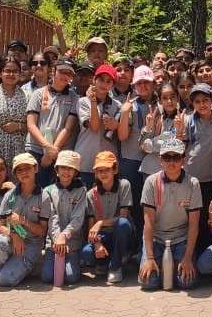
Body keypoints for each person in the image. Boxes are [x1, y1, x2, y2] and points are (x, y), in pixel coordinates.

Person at [139, 138, 202, 291]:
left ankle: (171, 268)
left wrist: (187, 258)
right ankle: (155, 263)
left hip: (181, 239)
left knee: (187, 283)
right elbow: (148, 222)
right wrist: (150, 258)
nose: (171, 162)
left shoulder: (193, 183)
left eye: (176, 157)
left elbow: (194, 225)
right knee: (148, 283)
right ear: (160, 160)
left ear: (183, 160)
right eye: (167, 157)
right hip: (157, 238)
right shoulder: (151, 182)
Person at [0, 153, 47, 287]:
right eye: (19, 170)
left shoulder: (43, 196)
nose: (24, 172)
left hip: (32, 243)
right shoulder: (10, 195)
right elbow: (1, 226)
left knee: (6, 280)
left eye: (27, 168)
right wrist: (14, 235)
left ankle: (28, 265)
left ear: (35, 168)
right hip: (13, 239)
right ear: (15, 174)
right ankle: (4, 269)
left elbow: (43, 231)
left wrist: (23, 221)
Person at [83, 151, 135, 283]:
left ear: (115, 170)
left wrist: (100, 222)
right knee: (87, 253)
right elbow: (91, 227)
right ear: (95, 173)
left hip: (122, 233)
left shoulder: (124, 185)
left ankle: (115, 267)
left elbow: (123, 216)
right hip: (103, 236)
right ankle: (105, 262)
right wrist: (97, 244)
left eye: (107, 169)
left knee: (123, 223)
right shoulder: (90, 194)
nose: (103, 173)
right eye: (99, 170)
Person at [183, 82, 212, 248]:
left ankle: (203, 254)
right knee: (187, 218)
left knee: (205, 219)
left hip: (208, 180)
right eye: (197, 101)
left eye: (205, 100)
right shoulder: (187, 121)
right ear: (192, 103)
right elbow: (181, 148)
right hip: (188, 179)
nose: (202, 104)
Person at [26, 60, 80, 187]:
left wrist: (52, 152)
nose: (65, 75)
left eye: (69, 73)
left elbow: (68, 128)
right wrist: (47, 148)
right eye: (62, 71)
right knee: (34, 189)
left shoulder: (74, 97)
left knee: (56, 191)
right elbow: (31, 125)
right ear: (53, 71)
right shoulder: (38, 94)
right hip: (36, 150)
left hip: (60, 153)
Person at [41, 150, 88, 285]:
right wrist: (58, 239)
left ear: (75, 172)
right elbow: (52, 217)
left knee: (71, 277)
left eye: (70, 168)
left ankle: (76, 260)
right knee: (47, 277)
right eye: (63, 167)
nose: (66, 172)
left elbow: (77, 218)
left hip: (72, 242)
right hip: (54, 242)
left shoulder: (81, 191)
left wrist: (65, 236)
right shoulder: (48, 191)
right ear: (57, 169)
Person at [118, 66, 157, 222]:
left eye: (146, 82)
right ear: (133, 86)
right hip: (131, 159)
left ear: (153, 83)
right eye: (139, 83)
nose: (143, 86)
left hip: (154, 160)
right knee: (132, 202)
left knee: (151, 202)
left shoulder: (161, 103)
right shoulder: (130, 105)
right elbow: (122, 136)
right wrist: (124, 113)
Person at [76, 65, 122, 187]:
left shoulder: (118, 106)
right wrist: (93, 101)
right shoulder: (83, 102)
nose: (104, 84)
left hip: (107, 163)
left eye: (109, 81)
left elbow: (122, 134)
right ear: (94, 80)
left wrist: (116, 125)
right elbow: (95, 127)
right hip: (85, 160)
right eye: (101, 79)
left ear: (112, 85)